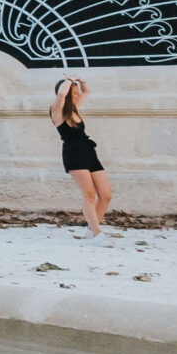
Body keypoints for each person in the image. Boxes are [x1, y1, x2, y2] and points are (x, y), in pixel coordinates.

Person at [52, 76, 111, 236]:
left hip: (88, 151)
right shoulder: (57, 111)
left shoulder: (74, 108)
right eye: (74, 92)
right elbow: (61, 95)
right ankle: (97, 233)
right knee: (89, 194)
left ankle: (92, 229)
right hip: (74, 153)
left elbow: (87, 91)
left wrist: (81, 81)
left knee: (105, 195)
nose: (77, 94)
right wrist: (67, 81)